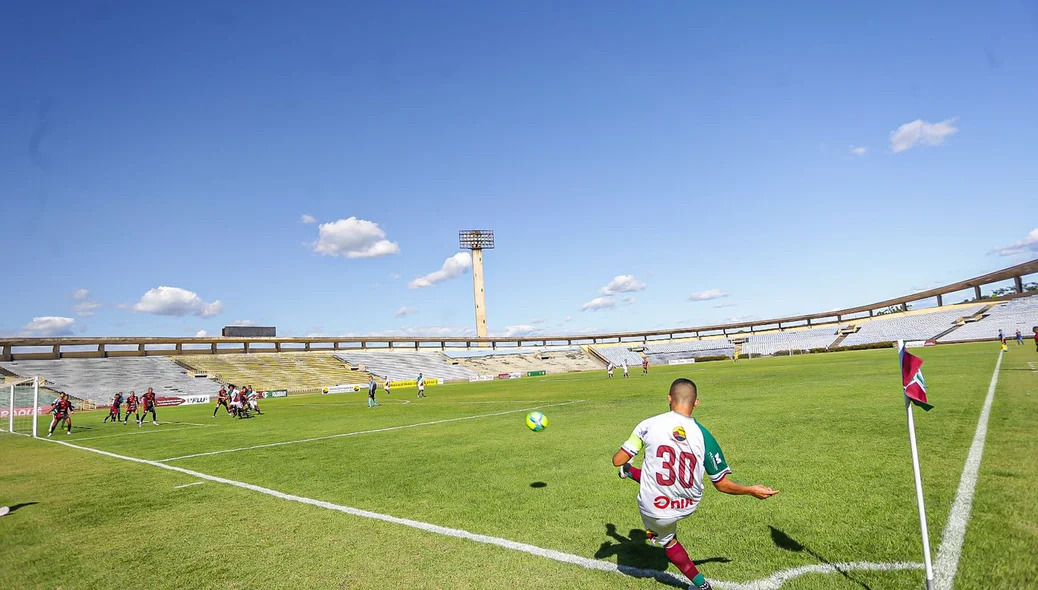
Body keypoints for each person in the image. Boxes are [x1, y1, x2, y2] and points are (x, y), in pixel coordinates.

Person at [612, 378, 778, 590]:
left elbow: (617, 459)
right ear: (696, 403)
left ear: (669, 399)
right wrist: (750, 490)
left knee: (666, 539)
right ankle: (631, 476)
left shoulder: (648, 424)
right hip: (688, 504)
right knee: (657, 478)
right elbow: (722, 484)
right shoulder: (705, 435)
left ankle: (701, 585)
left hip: (656, 508)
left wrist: (623, 460)